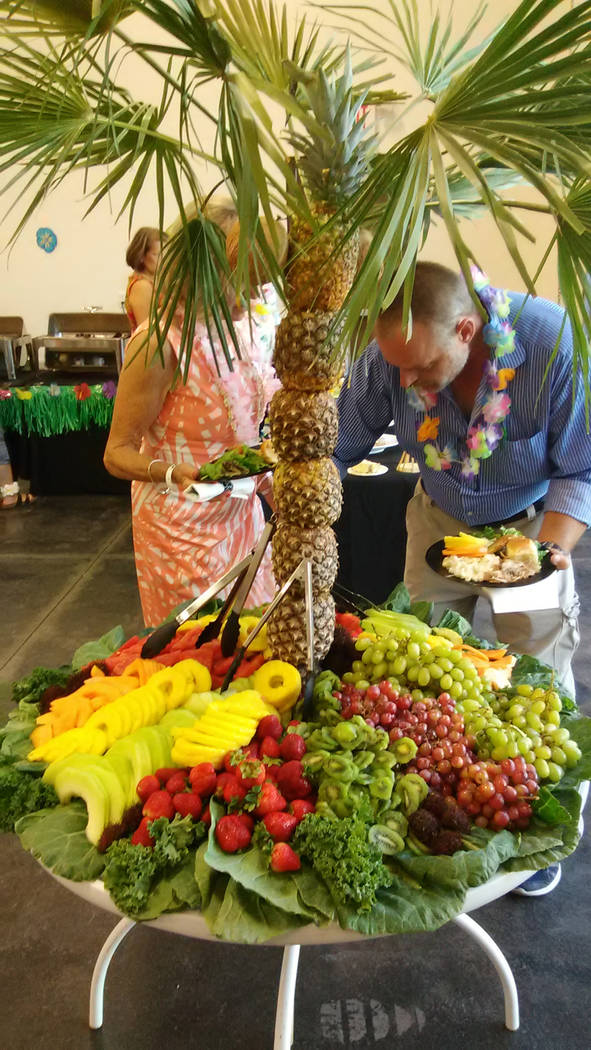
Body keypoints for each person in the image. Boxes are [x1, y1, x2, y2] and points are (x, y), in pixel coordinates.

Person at [334, 260, 591, 895]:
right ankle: (434, 800)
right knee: (419, 663)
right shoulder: (391, 356)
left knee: (536, 674)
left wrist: (549, 553)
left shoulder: (552, 343)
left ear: (468, 331)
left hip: (528, 528)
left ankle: (538, 828)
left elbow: (581, 467)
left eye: (420, 368)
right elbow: (339, 442)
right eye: (397, 367)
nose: (404, 381)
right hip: (436, 518)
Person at [105, 211, 279, 627]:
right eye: (244, 282)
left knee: (256, 637)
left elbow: (245, 434)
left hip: (242, 518)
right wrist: (170, 472)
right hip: (179, 532)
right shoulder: (158, 342)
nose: (254, 295)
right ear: (211, 277)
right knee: (199, 649)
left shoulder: (242, 331)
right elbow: (116, 453)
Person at [124, 227, 164, 331]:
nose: (163, 259)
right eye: (157, 254)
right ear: (141, 256)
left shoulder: (154, 281)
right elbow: (146, 330)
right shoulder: (142, 286)